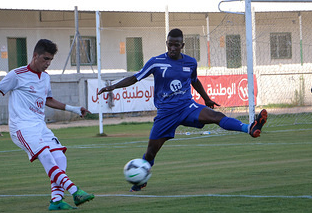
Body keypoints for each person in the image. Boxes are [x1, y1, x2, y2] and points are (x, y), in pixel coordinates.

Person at [98, 28, 268, 192]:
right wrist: (112, 87)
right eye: (170, 44)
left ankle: (250, 128)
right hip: (166, 113)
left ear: (182, 45)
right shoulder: (156, 62)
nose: (173, 48)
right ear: (166, 43)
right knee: (150, 153)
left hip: (187, 106)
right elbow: (135, 78)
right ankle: (140, 182)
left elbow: (194, 81)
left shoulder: (190, 62)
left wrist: (206, 98)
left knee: (216, 116)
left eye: (176, 45)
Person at [0, 39, 94, 210]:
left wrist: (74, 109)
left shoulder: (45, 77)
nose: (48, 63)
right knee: (45, 156)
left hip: (39, 126)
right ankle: (75, 191)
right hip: (21, 127)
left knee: (60, 157)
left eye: (50, 60)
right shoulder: (17, 74)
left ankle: (57, 201)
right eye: (45, 59)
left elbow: (48, 100)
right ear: (35, 55)